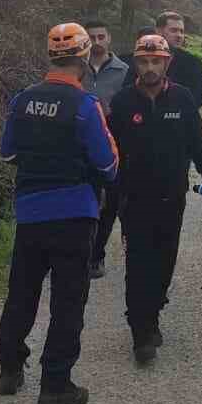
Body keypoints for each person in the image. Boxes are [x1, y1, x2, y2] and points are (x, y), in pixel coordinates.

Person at [0, 22, 119, 404]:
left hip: (31, 212)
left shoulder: (22, 100)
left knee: (22, 293)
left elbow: (8, 153)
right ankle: (55, 385)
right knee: (67, 301)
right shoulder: (85, 105)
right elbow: (108, 163)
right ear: (84, 56)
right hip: (74, 213)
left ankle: (9, 370)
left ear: (50, 56)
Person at [107, 34, 202, 365]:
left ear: (167, 63)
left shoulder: (182, 98)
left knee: (164, 260)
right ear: (136, 64)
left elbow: (197, 142)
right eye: (144, 61)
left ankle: (153, 312)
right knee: (138, 261)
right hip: (134, 198)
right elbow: (109, 149)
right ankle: (141, 332)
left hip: (172, 195)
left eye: (156, 61)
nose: (150, 68)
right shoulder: (123, 102)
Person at [82, 17, 131, 280]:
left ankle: (96, 255)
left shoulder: (124, 71)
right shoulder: (77, 69)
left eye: (101, 37)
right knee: (84, 200)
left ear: (109, 38)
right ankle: (78, 252)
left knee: (110, 204)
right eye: (92, 37)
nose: (97, 42)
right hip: (80, 146)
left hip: (114, 146)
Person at [157, 10, 202, 108]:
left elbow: (196, 101)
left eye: (181, 31)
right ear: (159, 32)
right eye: (173, 30)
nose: (179, 35)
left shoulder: (193, 64)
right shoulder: (142, 60)